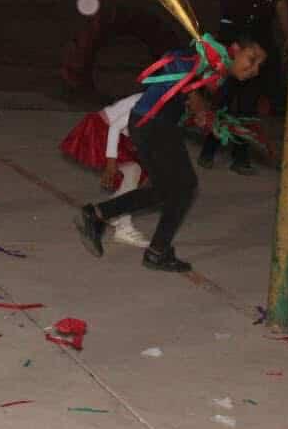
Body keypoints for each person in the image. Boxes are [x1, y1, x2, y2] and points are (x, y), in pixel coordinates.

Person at [75, 35, 267, 271]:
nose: (254, 70)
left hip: (153, 125)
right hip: (153, 124)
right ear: (235, 50)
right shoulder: (202, 59)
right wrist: (194, 96)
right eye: (252, 59)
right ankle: (157, 251)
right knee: (184, 187)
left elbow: (182, 96)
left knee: (164, 191)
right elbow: (175, 64)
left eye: (259, 65)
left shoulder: (214, 72)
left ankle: (98, 214)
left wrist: (199, 113)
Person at [201, 0, 288, 174]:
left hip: (260, 40)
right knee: (224, 95)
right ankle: (210, 147)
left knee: (249, 100)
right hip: (232, 37)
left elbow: (281, 4)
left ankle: (241, 156)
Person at [59, 92, 151, 248]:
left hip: (118, 133)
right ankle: (123, 225)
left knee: (135, 172)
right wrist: (111, 161)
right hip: (103, 129)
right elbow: (115, 126)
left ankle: (110, 212)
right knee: (134, 170)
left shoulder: (166, 98)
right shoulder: (152, 101)